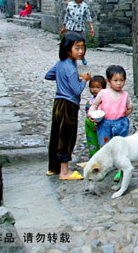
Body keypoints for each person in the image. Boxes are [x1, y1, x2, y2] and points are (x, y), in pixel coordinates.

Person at [45, 32, 91, 180]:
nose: (81, 52)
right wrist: (84, 79)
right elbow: (76, 90)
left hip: (58, 102)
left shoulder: (60, 64)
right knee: (67, 136)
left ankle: (53, 168)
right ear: (67, 49)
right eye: (77, 48)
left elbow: (49, 75)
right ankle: (64, 172)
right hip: (69, 105)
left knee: (56, 134)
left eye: (82, 48)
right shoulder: (70, 68)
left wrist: (62, 78)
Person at [89, 65, 133, 181]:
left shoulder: (125, 95)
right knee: (105, 146)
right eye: (115, 80)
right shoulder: (103, 93)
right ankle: (104, 166)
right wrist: (91, 114)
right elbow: (94, 105)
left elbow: (129, 108)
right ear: (108, 81)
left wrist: (123, 117)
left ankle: (120, 170)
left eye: (121, 80)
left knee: (121, 147)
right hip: (104, 124)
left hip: (121, 124)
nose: (119, 83)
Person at [61, 0, 94, 65]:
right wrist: (63, 27)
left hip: (80, 28)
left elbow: (88, 17)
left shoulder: (84, 6)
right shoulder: (70, 5)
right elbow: (67, 16)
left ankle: (82, 56)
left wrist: (91, 28)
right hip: (71, 27)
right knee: (70, 44)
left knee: (82, 44)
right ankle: (72, 59)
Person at [84, 75, 106, 158]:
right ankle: (94, 154)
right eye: (92, 87)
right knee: (92, 138)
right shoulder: (90, 101)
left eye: (97, 87)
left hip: (100, 123)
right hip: (90, 122)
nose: (94, 89)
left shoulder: (104, 101)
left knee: (101, 139)